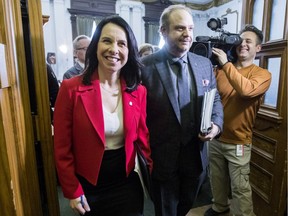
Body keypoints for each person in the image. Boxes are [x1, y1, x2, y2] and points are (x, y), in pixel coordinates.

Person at [53, 15, 153, 216]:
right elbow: (62, 147)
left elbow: (143, 138)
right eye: (107, 40)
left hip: (126, 184)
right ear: (95, 46)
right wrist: (72, 190)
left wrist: (152, 172)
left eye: (122, 44)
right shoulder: (71, 88)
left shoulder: (138, 91)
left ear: (129, 51)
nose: (114, 49)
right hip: (89, 186)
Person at [140, 4, 224, 216]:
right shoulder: (143, 67)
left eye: (190, 28)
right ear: (163, 31)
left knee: (185, 206)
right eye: (179, 28)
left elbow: (215, 100)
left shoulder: (204, 64)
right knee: (166, 210)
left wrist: (215, 125)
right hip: (162, 158)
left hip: (195, 157)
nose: (187, 34)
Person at [204, 25, 272, 216]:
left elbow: (246, 90)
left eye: (248, 42)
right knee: (216, 178)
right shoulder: (221, 70)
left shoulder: (262, 75)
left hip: (239, 141)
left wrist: (226, 65)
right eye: (240, 41)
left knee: (240, 187)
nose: (243, 44)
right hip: (216, 137)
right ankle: (219, 206)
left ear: (258, 48)